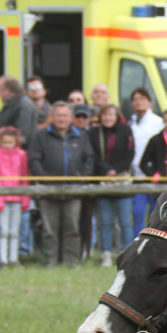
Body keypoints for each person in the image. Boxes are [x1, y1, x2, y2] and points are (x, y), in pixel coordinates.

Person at [28, 102, 94, 265]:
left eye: (65, 115)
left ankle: (71, 261)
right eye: (58, 115)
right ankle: (50, 261)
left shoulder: (81, 136)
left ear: (71, 118)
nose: (62, 119)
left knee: (72, 227)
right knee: (49, 229)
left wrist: (82, 179)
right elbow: (34, 159)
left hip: (74, 190)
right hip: (48, 190)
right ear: (52, 117)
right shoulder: (41, 136)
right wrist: (43, 178)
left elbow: (89, 158)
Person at [88, 103, 136, 265]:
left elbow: (130, 154)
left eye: (111, 115)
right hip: (103, 180)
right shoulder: (94, 133)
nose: (108, 118)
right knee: (105, 221)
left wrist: (115, 170)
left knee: (124, 221)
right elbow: (92, 155)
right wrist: (106, 170)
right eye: (105, 115)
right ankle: (106, 253)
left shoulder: (125, 130)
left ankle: (126, 253)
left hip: (122, 179)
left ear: (116, 116)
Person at [0, 126, 30, 267]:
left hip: (17, 198)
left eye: (10, 142)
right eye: (4, 142)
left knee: (14, 230)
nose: (7, 145)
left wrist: (25, 198)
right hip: (3, 198)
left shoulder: (22, 155)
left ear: (16, 142)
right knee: (3, 230)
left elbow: (25, 177)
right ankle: (3, 259)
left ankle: (13, 258)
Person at [127, 87, 163, 229]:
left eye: (142, 99)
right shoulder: (130, 123)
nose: (138, 102)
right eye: (135, 99)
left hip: (154, 176)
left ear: (150, 102)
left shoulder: (158, 123)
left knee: (155, 214)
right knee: (137, 214)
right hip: (136, 177)